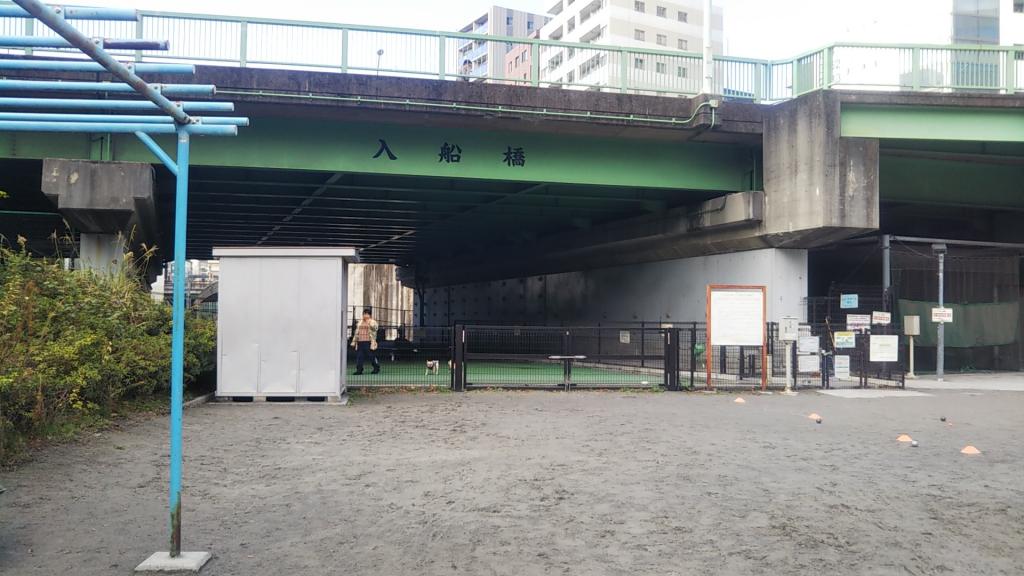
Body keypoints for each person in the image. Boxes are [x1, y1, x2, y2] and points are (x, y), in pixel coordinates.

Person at [351, 308, 380, 375]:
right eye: (364, 314)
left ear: (369, 315)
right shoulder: (360, 322)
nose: (365, 315)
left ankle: (376, 367)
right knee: (359, 356)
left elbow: (375, 328)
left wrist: (368, 322)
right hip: (360, 341)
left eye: (367, 314)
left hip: (369, 342)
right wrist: (354, 341)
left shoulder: (372, 322)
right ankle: (359, 370)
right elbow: (356, 332)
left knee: (371, 356)